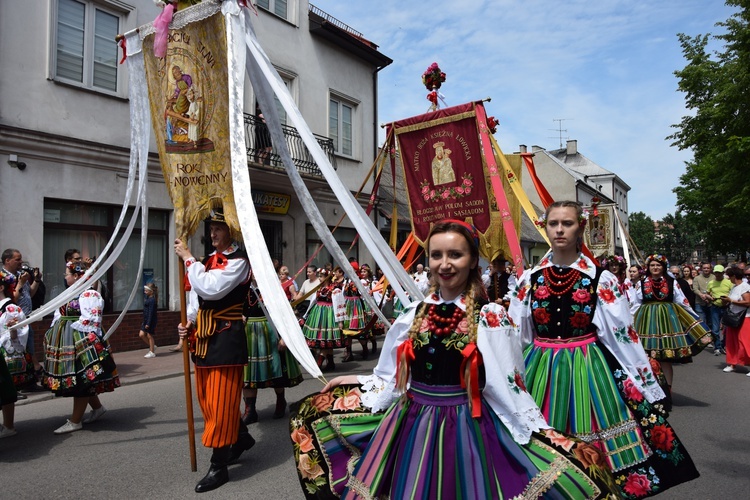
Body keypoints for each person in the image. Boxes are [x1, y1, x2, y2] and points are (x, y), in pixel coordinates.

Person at [291, 219, 619, 499]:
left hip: (465, 424)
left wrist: (536, 430)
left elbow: (508, 383)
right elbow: (392, 375)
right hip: (411, 422)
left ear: (473, 260)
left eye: (455, 254)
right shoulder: (413, 313)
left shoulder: (489, 318)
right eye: (436, 255)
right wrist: (360, 382)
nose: (444, 263)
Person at [511, 201, 700, 498]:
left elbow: (621, 337)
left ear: (581, 228)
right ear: (545, 227)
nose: (559, 229)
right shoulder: (529, 280)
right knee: (537, 450)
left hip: (587, 368)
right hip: (539, 367)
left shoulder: (601, 278)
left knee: (595, 452)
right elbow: (518, 336)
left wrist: (649, 388)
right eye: (553, 223)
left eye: (568, 223)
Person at [174, 211, 255, 493]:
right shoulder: (208, 260)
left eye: (218, 229)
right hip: (205, 338)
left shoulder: (239, 261)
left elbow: (211, 289)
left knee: (220, 403)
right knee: (208, 400)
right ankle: (241, 436)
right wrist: (189, 323)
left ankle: (218, 466)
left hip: (227, 338)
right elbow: (198, 300)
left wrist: (187, 258)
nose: (213, 234)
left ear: (231, 231)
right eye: (212, 229)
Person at [41, 260, 118, 434]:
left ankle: (76, 421)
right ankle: (98, 408)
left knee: (82, 377)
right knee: (83, 377)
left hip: (80, 340)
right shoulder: (72, 293)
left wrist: (83, 344)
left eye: (67, 274)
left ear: (76, 276)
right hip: (69, 338)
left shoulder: (89, 294)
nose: (64, 276)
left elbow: (91, 322)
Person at [632, 254, 710, 391]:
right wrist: (629, 322)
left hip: (667, 321)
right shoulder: (641, 283)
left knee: (665, 358)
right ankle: (650, 388)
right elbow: (635, 304)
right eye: (652, 265)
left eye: (658, 265)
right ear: (648, 268)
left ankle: (667, 389)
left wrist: (695, 318)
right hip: (645, 321)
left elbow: (682, 301)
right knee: (646, 356)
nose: (655, 267)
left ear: (663, 267)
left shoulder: (672, 282)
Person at [240, 280, 303, 424]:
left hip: (270, 331)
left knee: (276, 369)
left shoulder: (271, 286)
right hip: (248, 333)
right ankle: (250, 410)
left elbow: (284, 313)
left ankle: (280, 401)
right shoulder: (241, 286)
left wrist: (284, 338)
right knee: (248, 373)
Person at [301, 267, 348, 372]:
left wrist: (340, 321)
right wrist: (307, 314)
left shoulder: (335, 289)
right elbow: (313, 301)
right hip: (318, 315)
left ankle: (319, 364)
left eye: (321, 276)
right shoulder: (319, 288)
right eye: (319, 276)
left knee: (326, 339)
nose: (319, 278)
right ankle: (331, 363)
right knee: (326, 341)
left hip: (329, 315)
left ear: (327, 278)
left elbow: (339, 305)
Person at [0, 270, 20, 438]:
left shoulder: (10, 307)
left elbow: (16, 333)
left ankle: (9, 425)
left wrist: (12, 331)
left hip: (6, 351)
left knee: (6, 389)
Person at [719, 267, 750, 375]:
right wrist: (726, 301)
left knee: (745, 342)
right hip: (733, 317)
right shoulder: (734, 287)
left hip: (745, 317)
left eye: (729, 276)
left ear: (734, 276)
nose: (728, 279)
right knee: (731, 341)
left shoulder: (745, 286)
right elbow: (731, 301)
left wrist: (731, 300)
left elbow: (748, 302)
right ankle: (732, 364)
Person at [706, 264, 732, 355]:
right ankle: (717, 347)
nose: (717, 275)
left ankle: (723, 345)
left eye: (719, 273)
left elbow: (733, 294)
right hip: (715, 307)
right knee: (715, 329)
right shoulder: (711, 283)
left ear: (723, 273)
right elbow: (707, 293)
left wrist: (728, 299)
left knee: (726, 329)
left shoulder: (728, 282)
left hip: (726, 307)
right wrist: (709, 297)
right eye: (716, 273)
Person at [692, 262, 715, 347]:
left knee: (710, 322)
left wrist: (710, 296)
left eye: (708, 268)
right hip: (699, 302)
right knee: (702, 322)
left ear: (710, 269)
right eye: (704, 268)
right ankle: (704, 340)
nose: (706, 269)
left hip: (711, 303)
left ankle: (711, 339)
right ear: (701, 269)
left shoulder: (714, 277)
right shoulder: (697, 278)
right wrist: (702, 295)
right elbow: (695, 289)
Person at [139, 283, 158, 358]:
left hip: (150, 320)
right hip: (146, 320)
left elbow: (151, 312)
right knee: (141, 334)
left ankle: (152, 351)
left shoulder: (152, 300)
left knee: (149, 335)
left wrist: (148, 323)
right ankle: (152, 346)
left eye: (146, 291)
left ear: (151, 292)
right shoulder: (148, 299)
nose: (145, 292)